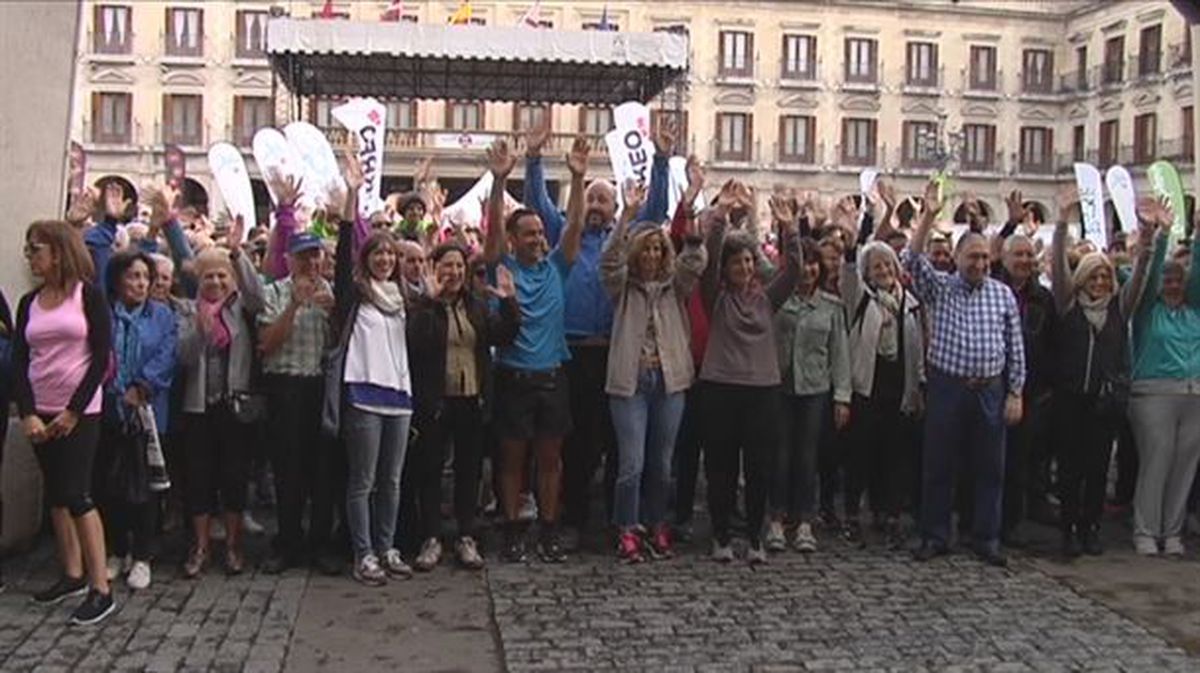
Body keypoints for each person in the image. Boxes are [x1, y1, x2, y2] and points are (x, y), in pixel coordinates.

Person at [522, 118, 672, 546]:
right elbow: (538, 204)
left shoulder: (627, 239)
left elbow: (656, 210)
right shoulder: (562, 236)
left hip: (615, 351)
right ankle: (573, 518)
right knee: (577, 441)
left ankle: (615, 519)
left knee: (616, 439)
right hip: (571, 352)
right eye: (591, 199)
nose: (597, 206)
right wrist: (534, 158)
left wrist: (660, 160)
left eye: (604, 200)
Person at [904, 182, 1025, 567]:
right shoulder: (941, 288)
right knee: (938, 465)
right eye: (972, 258)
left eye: (984, 259)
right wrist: (927, 216)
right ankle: (935, 535)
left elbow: (1015, 346)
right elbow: (910, 259)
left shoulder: (1002, 294)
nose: (979, 265)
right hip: (949, 387)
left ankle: (986, 537)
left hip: (990, 388)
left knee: (991, 468)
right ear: (956, 259)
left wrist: (1015, 392)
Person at [482, 135, 586, 563]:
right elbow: (490, 231)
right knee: (511, 460)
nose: (538, 239)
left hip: (552, 377)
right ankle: (512, 530)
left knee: (550, 460)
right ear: (512, 238)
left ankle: (548, 529)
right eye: (528, 233)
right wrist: (498, 181)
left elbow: (575, 226)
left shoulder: (556, 269)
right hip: (513, 376)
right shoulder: (501, 266)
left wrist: (578, 179)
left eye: (541, 233)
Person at [12, 220, 115, 624]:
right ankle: (71, 572)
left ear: (58, 250)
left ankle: (100, 586)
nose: (31, 256)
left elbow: (100, 358)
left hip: (81, 411)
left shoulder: (87, 296)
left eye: (36, 248)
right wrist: (28, 412)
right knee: (56, 493)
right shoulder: (29, 302)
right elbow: (20, 361)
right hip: (42, 408)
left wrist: (74, 410)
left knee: (77, 493)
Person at [601, 180, 706, 563]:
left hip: (670, 380)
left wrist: (690, 206)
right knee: (632, 463)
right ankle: (626, 527)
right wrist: (628, 215)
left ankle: (656, 523)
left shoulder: (673, 288)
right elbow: (609, 260)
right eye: (646, 248)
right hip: (630, 382)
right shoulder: (622, 288)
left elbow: (695, 261)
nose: (652, 254)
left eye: (658, 248)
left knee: (662, 464)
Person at [1049, 189, 1153, 558]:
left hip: (1103, 402)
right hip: (1070, 398)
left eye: (1104, 279)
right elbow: (1058, 266)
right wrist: (1061, 221)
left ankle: (1090, 527)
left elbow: (1139, 277)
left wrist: (1150, 239)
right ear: (1083, 280)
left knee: (1096, 470)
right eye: (1093, 279)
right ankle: (1067, 530)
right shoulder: (1066, 305)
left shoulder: (1119, 309)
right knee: (1070, 469)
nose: (1099, 285)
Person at [699, 192, 800, 564]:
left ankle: (755, 539)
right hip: (721, 390)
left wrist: (789, 227)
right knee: (721, 468)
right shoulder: (717, 299)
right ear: (726, 269)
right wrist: (722, 216)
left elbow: (793, 273)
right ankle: (721, 536)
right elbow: (706, 267)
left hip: (762, 393)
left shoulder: (765, 299)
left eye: (747, 261)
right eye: (736, 262)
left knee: (759, 468)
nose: (743, 267)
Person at [406, 244, 520, 570]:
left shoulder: (477, 305)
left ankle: (466, 535)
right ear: (434, 268)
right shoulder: (422, 306)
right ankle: (431, 537)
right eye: (446, 266)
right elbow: (417, 342)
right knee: (430, 471)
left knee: (469, 471)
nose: (453, 273)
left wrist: (510, 301)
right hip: (436, 400)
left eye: (458, 267)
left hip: (472, 398)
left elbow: (504, 335)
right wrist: (430, 302)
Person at [176, 217, 264, 577]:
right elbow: (182, 357)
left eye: (221, 276)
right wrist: (199, 331)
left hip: (234, 406)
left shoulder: (241, 308)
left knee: (234, 477)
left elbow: (258, 297)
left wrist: (237, 253)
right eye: (208, 276)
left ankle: (232, 545)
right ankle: (200, 546)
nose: (214, 282)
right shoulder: (187, 310)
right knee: (198, 478)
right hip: (198, 408)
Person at [257, 180, 337, 574]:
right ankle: (287, 542)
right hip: (285, 385)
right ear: (289, 259)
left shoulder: (332, 294)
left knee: (322, 472)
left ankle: (319, 543)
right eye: (303, 257)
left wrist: (333, 312)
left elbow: (342, 344)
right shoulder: (274, 292)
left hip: (318, 386)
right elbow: (267, 344)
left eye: (315, 257)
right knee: (287, 469)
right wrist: (294, 304)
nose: (310, 265)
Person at [331, 223, 415, 585]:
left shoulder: (404, 296)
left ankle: (387, 547)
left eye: (390, 254)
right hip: (363, 394)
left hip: (399, 397)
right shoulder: (357, 294)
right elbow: (341, 256)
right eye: (377, 253)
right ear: (366, 259)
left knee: (391, 481)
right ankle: (362, 553)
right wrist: (350, 200)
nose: (384, 259)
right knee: (362, 481)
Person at [96, 250, 177, 590]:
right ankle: (117, 550)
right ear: (117, 280)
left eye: (146, 277)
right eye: (134, 276)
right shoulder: (104, 314)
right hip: (107, 408)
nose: (142, 283)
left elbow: (166, 355)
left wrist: (140, 386)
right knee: (109, 485)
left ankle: (143, 555)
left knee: (143, 488)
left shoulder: (162, 316)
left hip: (145, 412)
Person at [841, 239, 925, 550]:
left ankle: (888, 514)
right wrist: (854, 238)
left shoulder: (910, 303)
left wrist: (919, 385)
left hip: (898, 386)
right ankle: (852, 514)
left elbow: (917, 349)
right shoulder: (861, 299)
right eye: (877, 266)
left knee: (893, 456)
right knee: (860, 454)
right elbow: (848, 275)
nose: (884, 270)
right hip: (866, 387)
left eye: (888, 264)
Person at [1128, 199, 1200, 556]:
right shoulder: (1147, 312)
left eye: (1178, 280)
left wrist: (1197, 236)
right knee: (1157, 461)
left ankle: (1172, 533)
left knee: (1184, 466)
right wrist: (1162, 234)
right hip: (1152, 393)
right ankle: (1145, 530)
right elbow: (1151, 272)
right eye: (1168, 280)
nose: (1173, 284)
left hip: (1194, 394)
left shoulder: (1193, 312)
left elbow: (1198, 273)